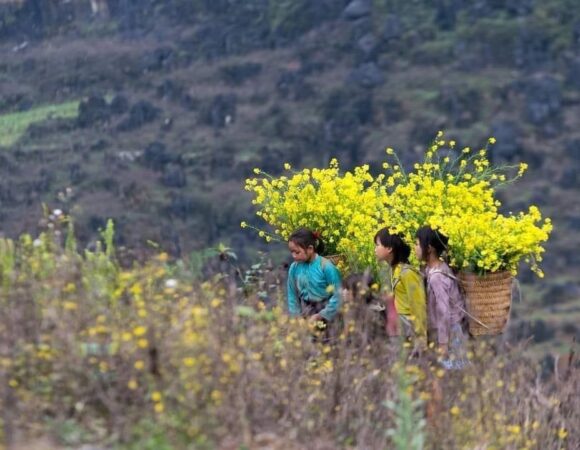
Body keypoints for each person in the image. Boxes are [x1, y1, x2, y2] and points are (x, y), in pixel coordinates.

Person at [415, 226, 469, 370]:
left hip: (449, 333)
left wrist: (443, 345)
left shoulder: (437, 277)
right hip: (450, 330)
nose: (415, 248)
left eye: (417, 244)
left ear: (430, 248)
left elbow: (443, 312)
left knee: (451, 375)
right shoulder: (437, 267)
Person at [374, 228, 427, 347]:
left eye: (377, 245)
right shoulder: (394, 270)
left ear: (389, 248)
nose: (375, 249)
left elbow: (418, 306)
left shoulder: (407, 273)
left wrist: (421, 338)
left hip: (408, 330)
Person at [287, 228, 342, 332]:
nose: (293, 256)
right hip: (306, 312)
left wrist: (322, 315)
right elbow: (292, 295)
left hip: (327, 313)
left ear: (310, 249)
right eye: (292, 252)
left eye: (297, 252)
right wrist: (297, 318)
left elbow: (338, 294)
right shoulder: (294, 268)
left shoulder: (326, 267)